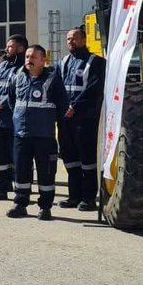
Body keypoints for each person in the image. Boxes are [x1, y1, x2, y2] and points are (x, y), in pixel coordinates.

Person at [6, 44, 69, 220]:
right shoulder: (17, 76)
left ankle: (45, 207)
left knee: (46, 172)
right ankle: (20, 204)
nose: (29, 60)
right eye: (27, 57)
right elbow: (12, 101)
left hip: (44, 135)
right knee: (21, 171)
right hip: (21, 134)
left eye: (33, 57)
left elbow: (62, 105)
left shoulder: (53, 79)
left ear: (43, 60)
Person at [57, 28, 106, 211]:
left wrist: (75, 107)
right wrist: (63, 108)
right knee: (70, 159)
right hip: (65, 119)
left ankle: (88, 199)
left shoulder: (97, 62)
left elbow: (94, 89)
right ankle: (73, 196)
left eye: (74, 38)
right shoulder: (63, 62)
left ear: (84, 40)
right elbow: (56, 87)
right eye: (68, 39)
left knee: (87, 160)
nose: (70, 41)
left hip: (85, 119)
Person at [0, 35, 28, 200]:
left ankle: (21, 191)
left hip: (15, 121)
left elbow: (23, 90)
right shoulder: (1, 65)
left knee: (17, 157)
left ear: (21, 48)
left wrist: (4, 103)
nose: (7, 49)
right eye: (7, 46)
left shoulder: (26, 67)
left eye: (11, 47)